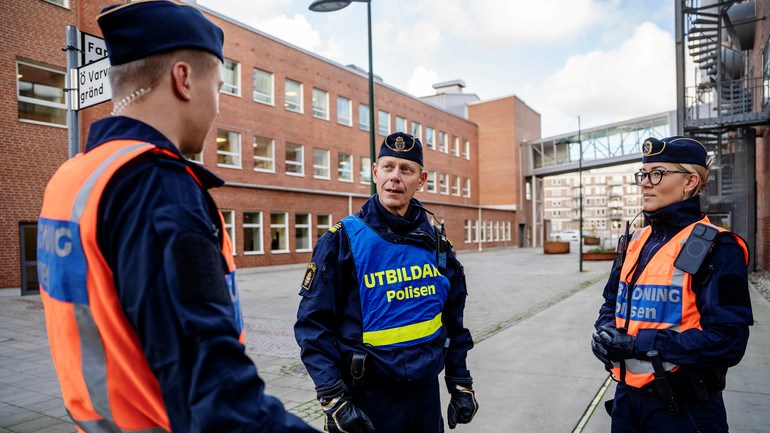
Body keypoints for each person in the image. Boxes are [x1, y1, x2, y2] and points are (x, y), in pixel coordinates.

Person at [36, 2, 318, 431]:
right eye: (219, 87)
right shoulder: (156, 186)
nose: (218, 106)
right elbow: (215, 396)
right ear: (183, 78)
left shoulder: (73, 176)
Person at [294, 132, 479, 432]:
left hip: (424, 400)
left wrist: (460, 383)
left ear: (421, 180)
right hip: (365, 401)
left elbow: (452, 320)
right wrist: (333, 398)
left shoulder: (438, 245)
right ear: (375, 172)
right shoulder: (341, 241)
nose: (395, 177)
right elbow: (312, 327)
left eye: (406, 169)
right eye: (388, 167)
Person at [591, 136, 753, 433]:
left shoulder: (718, 246)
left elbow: (729, 341)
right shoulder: (634, 241)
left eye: (657, 174)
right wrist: (604, 333)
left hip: (684, 410)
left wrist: (640, 344)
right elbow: (612, 302)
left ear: (690, 181)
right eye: (643, 174)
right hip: (627, 400)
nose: (645, 183)